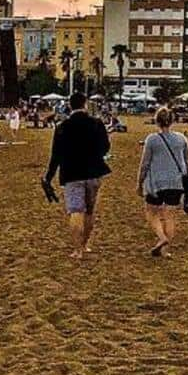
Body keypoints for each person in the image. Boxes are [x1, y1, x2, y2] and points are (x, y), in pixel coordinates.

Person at [42, 91, 111, 258]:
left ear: (70, 106)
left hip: (72, 173)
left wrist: (49, 177)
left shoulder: (62, 127)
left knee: (75, 211)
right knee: (89, 211)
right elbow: (105, 147)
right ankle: (86, 244)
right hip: (94, 172)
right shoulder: (97, 124)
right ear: (85, 104)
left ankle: (77, 250)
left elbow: (55, 155)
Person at [138, 107, 188, 257]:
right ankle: (164, 250)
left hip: (156, 183)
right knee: (170, 215)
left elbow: (145, 163)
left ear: (157, 121)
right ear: (172, 121)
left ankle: (161, 238)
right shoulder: (181, 138)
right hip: (176, 181)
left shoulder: (152, 139)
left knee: (151, 212)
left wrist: (139, 182)